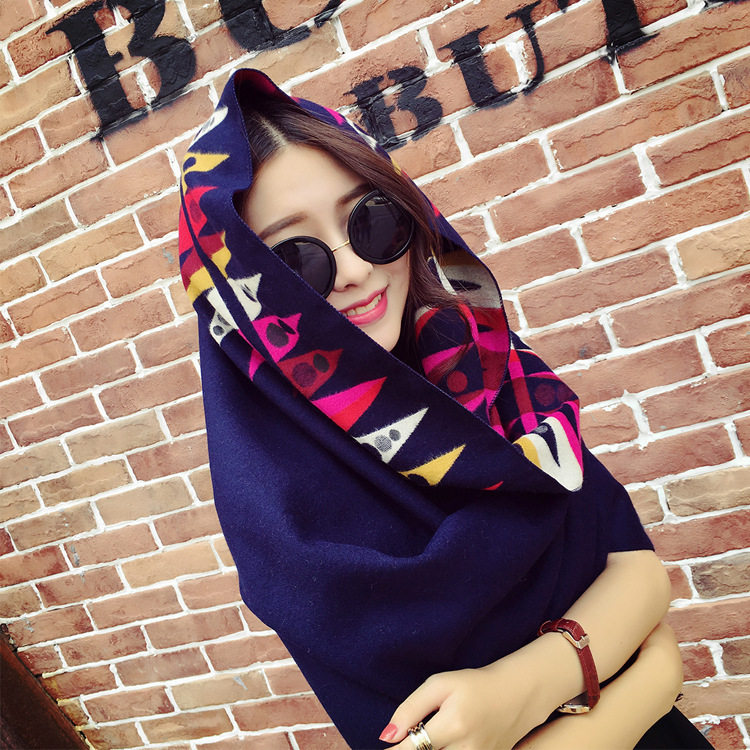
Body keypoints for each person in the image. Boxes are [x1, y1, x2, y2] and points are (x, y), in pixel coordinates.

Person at [178, 69, 713, 749]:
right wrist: (645, 680)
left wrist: (525, 686)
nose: (355, 270)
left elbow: (638, 569)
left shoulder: (480, 374)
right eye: (295, 261)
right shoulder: (284, 517)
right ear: (240, 294)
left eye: (371, 220)